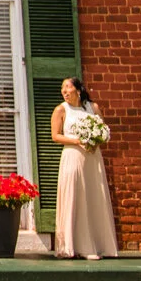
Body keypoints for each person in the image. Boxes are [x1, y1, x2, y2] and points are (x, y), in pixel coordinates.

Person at [51, 76, 119, 259]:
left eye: (68, 87)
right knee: (75, 196)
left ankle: (98, 245)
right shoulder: (60, 110)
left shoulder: (93, 108)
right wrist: (78, 140)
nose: (64, 92)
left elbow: (104, 130)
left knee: (93, 196)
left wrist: (97, 139)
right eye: (62, 89)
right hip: (73, 156)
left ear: (78, 90)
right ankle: (75, 246)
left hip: (92, 158)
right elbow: (56, 136)